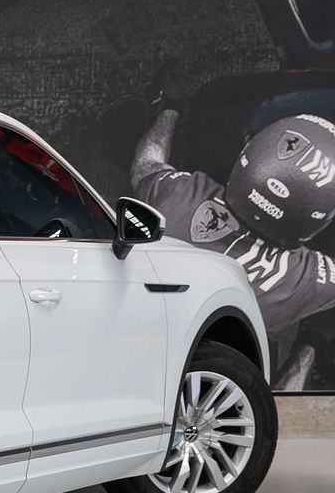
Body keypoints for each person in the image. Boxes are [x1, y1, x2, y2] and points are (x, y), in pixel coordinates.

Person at [132, 105, 335, 385]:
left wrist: (170, 109)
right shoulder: (304, 280)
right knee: (319, 326)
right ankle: (303, 359)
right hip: (213, 384)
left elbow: (146, 165)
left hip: (138, 343)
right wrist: (310, 344)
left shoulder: (180, 196)